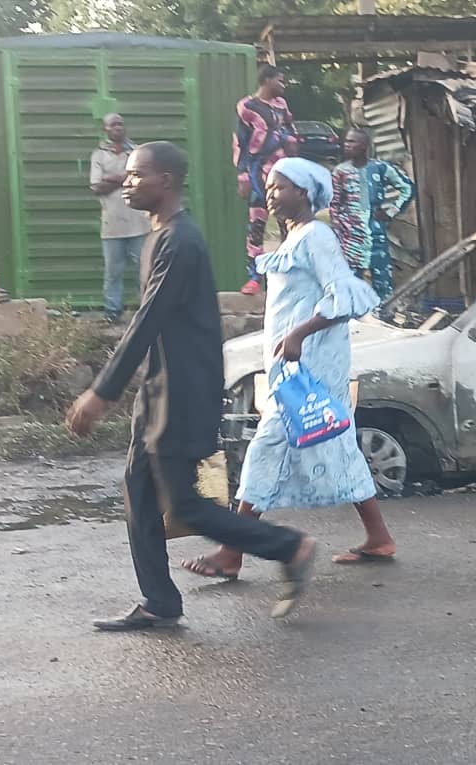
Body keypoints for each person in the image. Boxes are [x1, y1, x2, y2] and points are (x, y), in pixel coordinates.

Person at [66, 141, 317, 630]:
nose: (127, 182)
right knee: (138, 492)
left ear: (166, 180)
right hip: (159, 390)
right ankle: (159, 601)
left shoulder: (181, 242)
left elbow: (146, 321)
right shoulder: (160, 236)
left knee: (185, 505)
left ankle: (291, 546)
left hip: (184, 393)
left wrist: (101, 392)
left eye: (137, 175)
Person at [181, 157, 397, 579]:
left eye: (279, 186)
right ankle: (379, 537)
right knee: (338, 443)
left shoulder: (316, 236)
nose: (271, 193)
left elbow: (346, 296)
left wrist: (299, 333)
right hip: (295, 366)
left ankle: (232, 550)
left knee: (266, 447)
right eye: (269, 185)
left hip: (309, 367)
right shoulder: (295, 238)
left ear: (303, 192)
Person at [330, 128, 415, 301]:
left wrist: (391, 211)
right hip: (350, 237)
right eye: (346, 141)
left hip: (376, 234)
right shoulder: (340, 172)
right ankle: (353, 317)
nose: (347, 145)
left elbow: (407, 188)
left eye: (352, 142)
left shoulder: (380, 168)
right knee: (350, 281)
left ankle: (384, 317)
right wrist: (338, 232)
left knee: (382, 281)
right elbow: (334, 205)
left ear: (364, 146)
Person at [234, 64, 297, 297]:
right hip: (258, 172)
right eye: (280, 81)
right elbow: (240, 142)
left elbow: (290, 129)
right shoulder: (247, 106)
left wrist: (292, 143)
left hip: (282, 172)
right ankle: (254, 277)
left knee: (287, 224)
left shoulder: (282, 105)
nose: (284, 85)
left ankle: (289, 275)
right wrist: (242, 176)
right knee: (257, 224)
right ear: (267, 81)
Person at [89, 113, 151, 323]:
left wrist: (112, 178)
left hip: (139, 224)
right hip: (112, 225)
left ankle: (146, 310)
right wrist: (124, 179)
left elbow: (142, 180)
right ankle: (112, 313)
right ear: (105, 129)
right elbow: (96, 187)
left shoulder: (136, 152)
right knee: (113, 273)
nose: (118, 128)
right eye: (113, 125)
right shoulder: (99, 155)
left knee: (145, 271)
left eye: (120, 124)